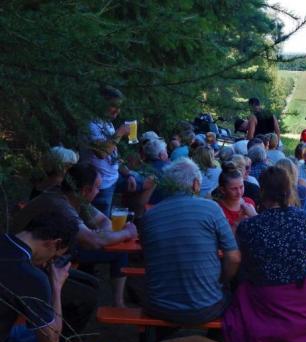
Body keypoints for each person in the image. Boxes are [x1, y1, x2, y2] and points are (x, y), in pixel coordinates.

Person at [224, 166, 306, 342]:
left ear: (262, 192)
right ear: (289, 190)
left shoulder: (250, 226)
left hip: (268, 299)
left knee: (241, 288)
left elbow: (247, 255)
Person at [13, 163, 137, 309]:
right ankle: (63, 324)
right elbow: (93, 241)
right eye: (97, 187)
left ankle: (118, 303)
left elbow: (104, 222)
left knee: (117, 255)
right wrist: (127, 232)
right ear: (86, 190)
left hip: (57, 251)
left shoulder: (74, 197)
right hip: (28, 264)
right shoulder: (59, 204)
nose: (98, 191)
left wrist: (98, 235)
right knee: (88, 293)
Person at [0, 210, 110, 342]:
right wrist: (56, 286)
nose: (47, 264)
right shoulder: (30, 275)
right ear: (55, 243)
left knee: (37, 330)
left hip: (6, 335)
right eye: (54, 257)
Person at [139, 158, 240, 324]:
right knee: (235, 302)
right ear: (195, 184)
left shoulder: (149, 216)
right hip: (206, 307)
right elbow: (234, 258)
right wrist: (222, 280)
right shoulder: (212, 209)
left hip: (159, 306)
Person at [80, 86, 131, 217]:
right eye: (114, 106)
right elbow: (101, 153)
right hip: (99, 185)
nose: (117, 111)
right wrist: (120, 133)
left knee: (148, 180)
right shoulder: (90, 124)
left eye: (119, 107)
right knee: (101, 226)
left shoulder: (107, 123)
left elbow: (112, 151)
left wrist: (128, 173)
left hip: (113, 178)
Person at [215, 165, 257, 234]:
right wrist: (237, 222)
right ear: (222, 190)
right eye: (234, 189)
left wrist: (255, 216)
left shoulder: (249, 202)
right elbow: (223, 238)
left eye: (241, 187)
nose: (239, 192)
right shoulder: (218, 209)